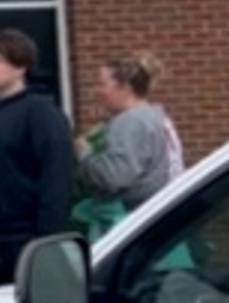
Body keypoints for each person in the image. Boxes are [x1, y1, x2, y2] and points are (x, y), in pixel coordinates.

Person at [0, 29, 75, 287]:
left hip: (24, 241)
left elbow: (56, 178)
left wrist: (45, 238)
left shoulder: (41, 115)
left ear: (21, 66)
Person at [76, 51, 185, 227]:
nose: (98, 91)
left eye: (103, 84)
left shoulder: (130, 122)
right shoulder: (157, 117)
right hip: (162, 214)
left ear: (124, 87)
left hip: (135, 221)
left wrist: (84, 152)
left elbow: (112, 178)